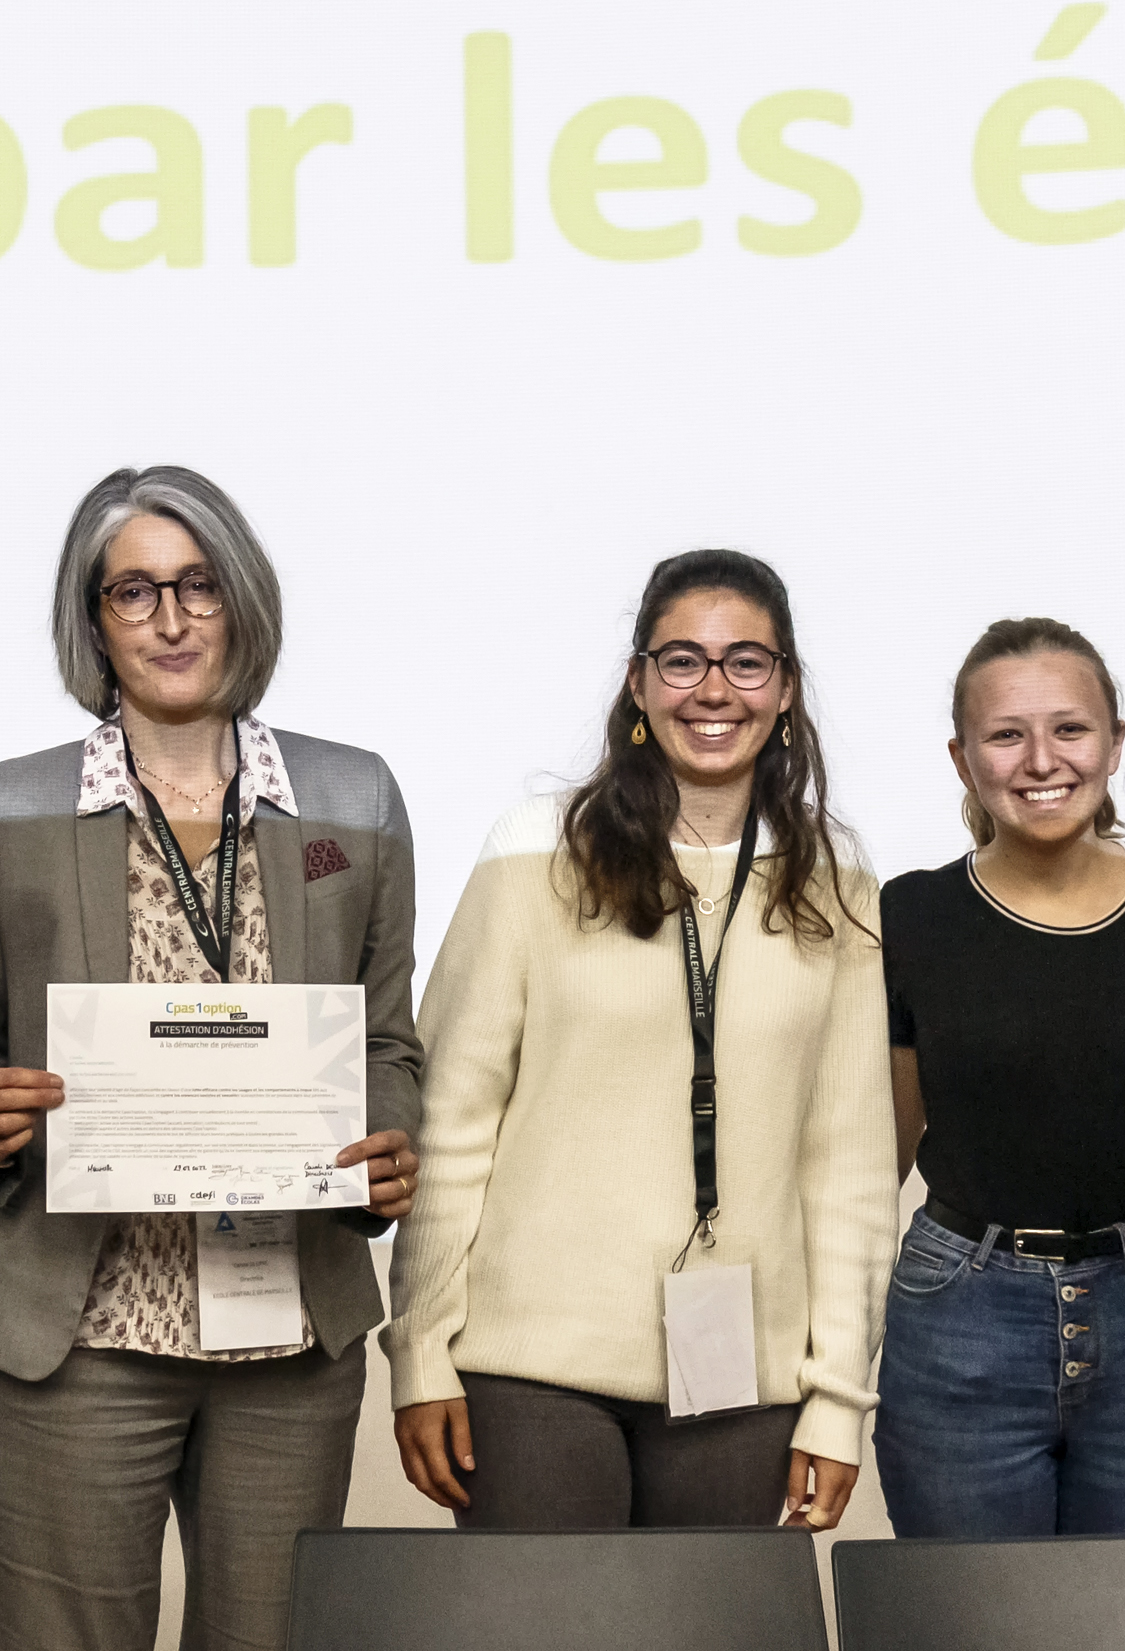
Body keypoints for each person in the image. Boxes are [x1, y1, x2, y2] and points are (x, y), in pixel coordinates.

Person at [0, 466, 422, 1651]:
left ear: (242, 600)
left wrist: (387, 1143)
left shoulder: (356, 798)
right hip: (72, 1330)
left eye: (197, 585)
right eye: (133, 591)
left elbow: (388, 1040)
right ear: (92, 620)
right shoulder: (6, 811)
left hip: (289, 1332)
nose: (172, 618)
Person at [388, 549, 891, 1533]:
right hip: (530, 1366)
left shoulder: (834, 873)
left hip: (740, 1370)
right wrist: (418, 1346)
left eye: (747, 662)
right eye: (683, 660)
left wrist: (839, 1399)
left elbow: (851, 1164)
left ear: (786, 688)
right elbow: (452, 1119)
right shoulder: (535, 849)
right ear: (637, 681)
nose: (714, 689)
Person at [870, 617, 1125, 1538]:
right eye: (1005, 734)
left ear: (1115, 741)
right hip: (961, 1312)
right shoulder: (911, 912)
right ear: (963, 759)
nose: (1041, 759)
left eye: (1070, 728)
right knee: (976, 1624)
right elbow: (881, 1152)